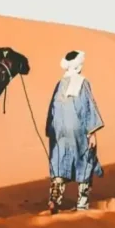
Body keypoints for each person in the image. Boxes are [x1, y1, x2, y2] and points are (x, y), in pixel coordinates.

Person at [45, 50, 105, 213]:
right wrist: (92, 133)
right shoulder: (83, 82)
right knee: (85, 159)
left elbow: (52, 107)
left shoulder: (60, 83)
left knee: (59, 160)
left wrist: (51, 129)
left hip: (59, 129)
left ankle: (54, 199)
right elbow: (87, 107)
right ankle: (82, 203)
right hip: (77, 128)